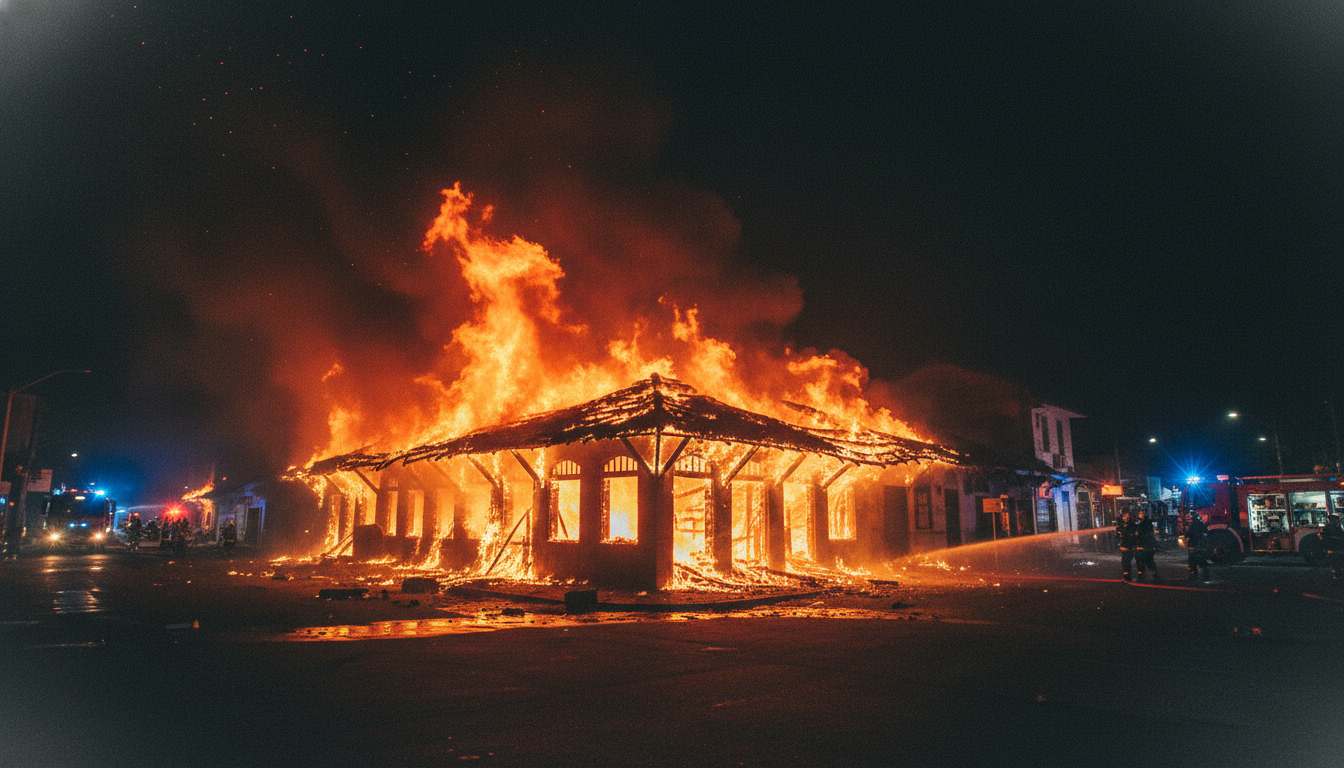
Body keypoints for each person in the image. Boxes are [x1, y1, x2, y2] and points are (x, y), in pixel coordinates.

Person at [1136, 511, 1162, 582]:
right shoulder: (1145, 523)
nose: (1140, 515)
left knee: (1145, 560)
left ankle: (1145, 575)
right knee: (1146, 560)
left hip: (1145, 544)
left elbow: (1142, 533)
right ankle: (1152, 574)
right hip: (1147, 544)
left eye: (1141, 514)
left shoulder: (1143, 524)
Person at [1185, 511, 1211, 581]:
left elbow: (1189, 534)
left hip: (1193, 545)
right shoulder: (1202, 524)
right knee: (1201, 558)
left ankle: (1194, 575)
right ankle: (1205, 572)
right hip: (1201, 545)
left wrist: (1186, 534)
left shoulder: (1193, 525)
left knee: (1192, 561)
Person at [1116, 511, 1138, 582]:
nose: (1126, 517)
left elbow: (1128, 535)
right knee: (1125, 561)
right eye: (1125, 516)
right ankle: (1127, 575)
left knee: (1127, 561)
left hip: (1129, 545)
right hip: (1125, 546)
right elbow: (1119, 535)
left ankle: (1129, 575)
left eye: (1127, 516)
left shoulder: (1131, 525)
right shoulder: (1123, 525)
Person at [1322, 514, 1344, 580]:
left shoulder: (1327, 528)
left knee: (1335, 563)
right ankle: (1338, 574)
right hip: (1336, 549)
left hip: (1333, 549)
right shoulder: (1337, 528)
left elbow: (1323, 538)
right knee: (1338, 563)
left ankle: (1337, 575)